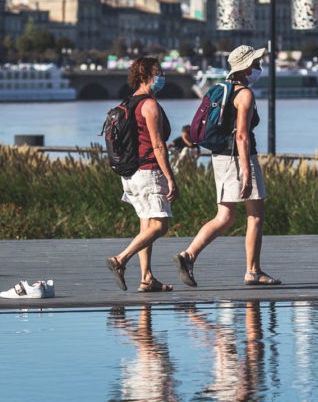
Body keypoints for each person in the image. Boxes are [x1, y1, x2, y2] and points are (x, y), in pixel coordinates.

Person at [174, 45, 280, 287]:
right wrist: (247, 172)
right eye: (255, 64)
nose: (259, 68)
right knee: (255, 216)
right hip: (239, 158)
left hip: (219, 158)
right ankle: (253, 271)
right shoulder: (245, 95)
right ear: (244, 68)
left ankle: (188, 255)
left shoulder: (217, 89)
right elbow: (242, 136)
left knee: (224, 216)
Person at [106, 57, 178, 292]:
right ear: (145, 75)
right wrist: (170, 177)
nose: (162, 76)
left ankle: (146, 278)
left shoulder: (130, 102)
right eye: (158, 72)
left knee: (146, 225)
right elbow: (158, 146)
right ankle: (120, 259)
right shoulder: (149, 105)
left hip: (131, 175)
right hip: (149, 172)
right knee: (160, 227)